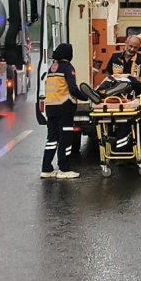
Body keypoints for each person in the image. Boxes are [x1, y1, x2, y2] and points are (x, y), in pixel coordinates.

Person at [42, 43, 86, 179]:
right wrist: (86, 97)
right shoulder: (68, 68)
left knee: (52, 139)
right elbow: (72, 88)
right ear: (69, 55)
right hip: (64, 107)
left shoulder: (52, 68)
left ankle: (46, 168)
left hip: (51, 108)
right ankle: (64, 169)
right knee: (65, 139)